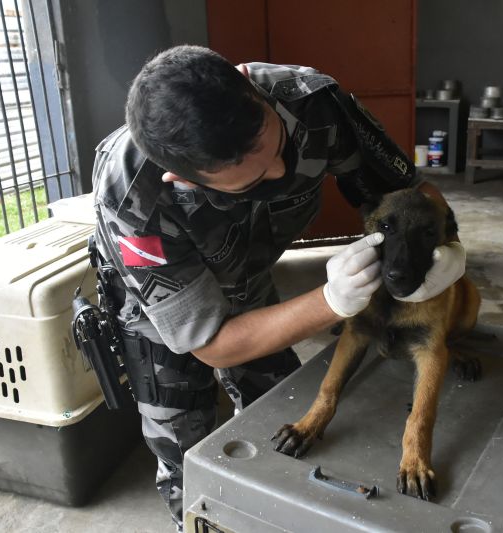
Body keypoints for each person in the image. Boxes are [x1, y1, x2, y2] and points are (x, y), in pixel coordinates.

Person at [90, 45, 465, 531]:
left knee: (278, 419)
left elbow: (409, 190)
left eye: (277, 146)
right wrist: (330, 301)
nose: (281, 173)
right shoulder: (134, 196)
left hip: (248, 279)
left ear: (248, 82)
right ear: (180, 178)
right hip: (159, 312)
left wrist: (450, 248)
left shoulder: (312, 101)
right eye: (251, 181)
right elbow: (213, 343)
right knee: (189, 456)